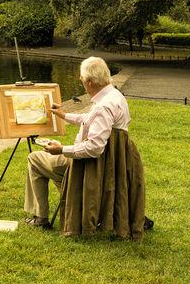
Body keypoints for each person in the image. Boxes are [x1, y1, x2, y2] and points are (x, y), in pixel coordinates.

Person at [24, 56, 129, 227]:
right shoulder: (114, 96)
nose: (81, 82)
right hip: (106, 165)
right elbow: (90, 119)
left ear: (89, 81)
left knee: (34, 159)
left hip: (86, 165)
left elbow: (94, 148)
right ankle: (76, 205)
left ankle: (40, 217)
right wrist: (64, 115)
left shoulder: (103, 106)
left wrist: (62, 149)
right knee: (55, 171)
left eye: (81, 79)